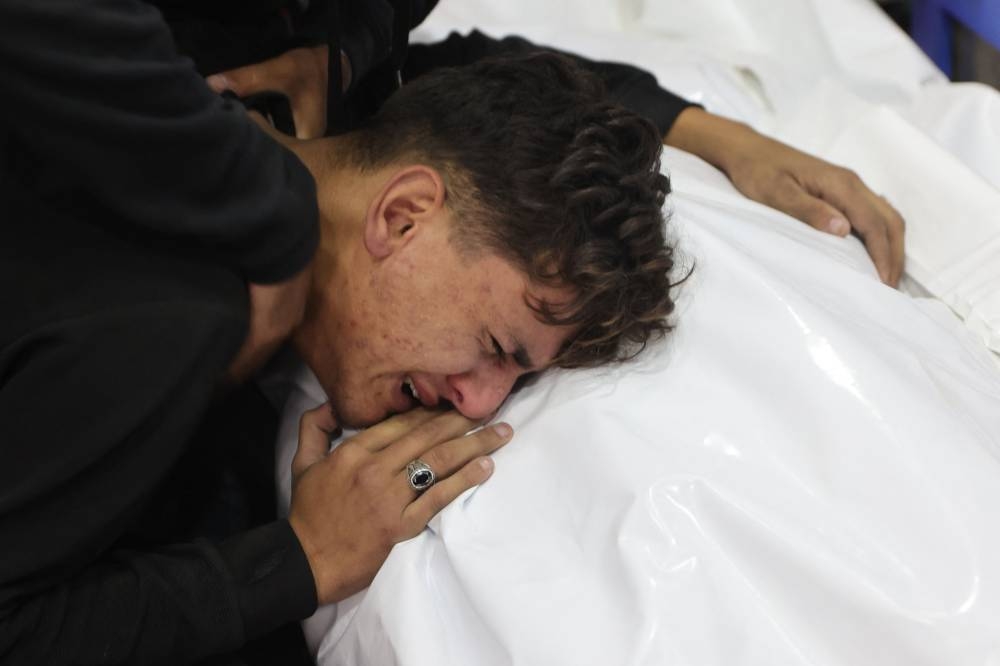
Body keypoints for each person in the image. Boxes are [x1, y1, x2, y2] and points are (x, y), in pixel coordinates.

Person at [0, 1, 673, 658]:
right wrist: (299, 561)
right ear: (404, 216)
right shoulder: (182, 319)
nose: (482, 402)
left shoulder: (256, 85)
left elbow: (480, 72)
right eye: (495, 347)